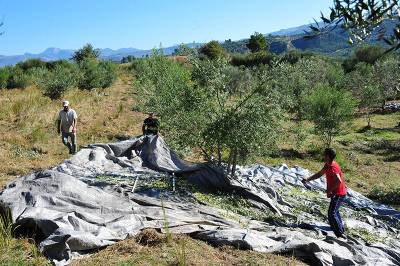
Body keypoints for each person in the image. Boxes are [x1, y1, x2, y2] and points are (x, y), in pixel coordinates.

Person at [302, 148, 347, 238]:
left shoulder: (333, 167)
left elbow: (338, 180)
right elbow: (319, 174)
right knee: (335, 211)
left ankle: (340, 234)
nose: (323, 156)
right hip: (335, 193)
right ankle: (340, 228)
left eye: (324, 154)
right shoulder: (327, 165)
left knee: (332, 213)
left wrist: (330, 190)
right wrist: (308, 179)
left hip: (338, 194)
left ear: (328, 156)